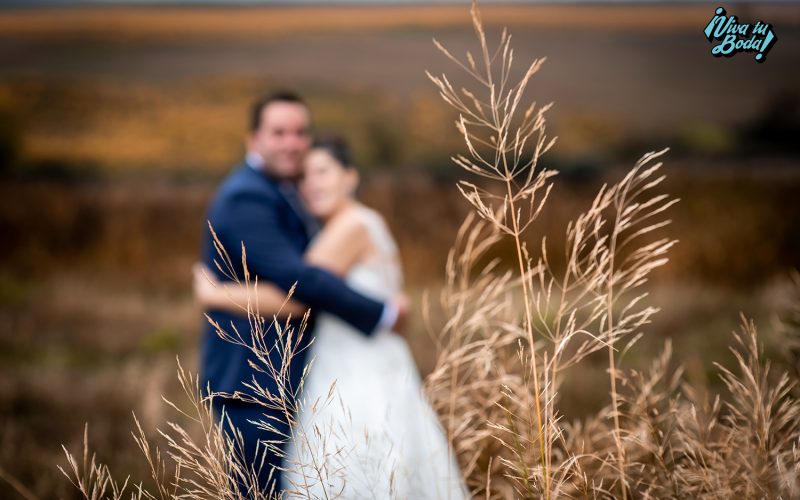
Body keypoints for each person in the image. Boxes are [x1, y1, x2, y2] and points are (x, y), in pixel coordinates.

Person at [195, 136, 469, 499]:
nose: (312, 184)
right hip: (362, 361)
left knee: (354, 469)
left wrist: (216, 293)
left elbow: (297, 297)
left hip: (357, 372)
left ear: (350, 177)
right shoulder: (349, 225)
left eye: (323, 172)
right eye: (304, 177)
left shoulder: (350, 227)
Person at [198, 91, 408, 496]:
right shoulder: (248, 196)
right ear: (252, 140)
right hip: (253, 381)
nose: (292, 143)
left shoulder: (286, 191)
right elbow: (300, 282)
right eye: (279, 133)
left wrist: (215, 293)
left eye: (300, 133)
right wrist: (381, 311)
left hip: (294, 378)